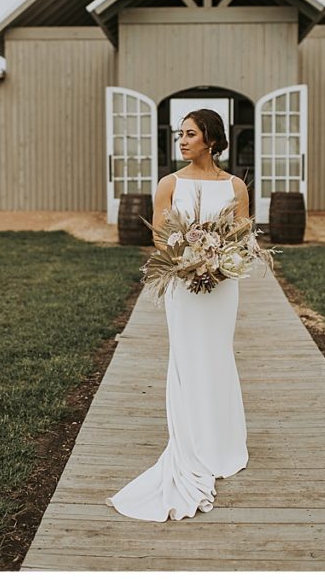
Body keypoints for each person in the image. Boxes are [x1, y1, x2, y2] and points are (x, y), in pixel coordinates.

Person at [106, 108, 249, 521]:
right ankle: (192, 442)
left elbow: (243, 236)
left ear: (210, 139)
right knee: (188, 358)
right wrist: (188, 259)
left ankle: (222, 442)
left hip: (223, 286)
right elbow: (160, 237)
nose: (182, 141)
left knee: (218, 355)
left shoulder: (236, 186)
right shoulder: (169, 183)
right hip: (183, 287)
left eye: (190, 134)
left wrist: (219, 257)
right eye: (179, 134)